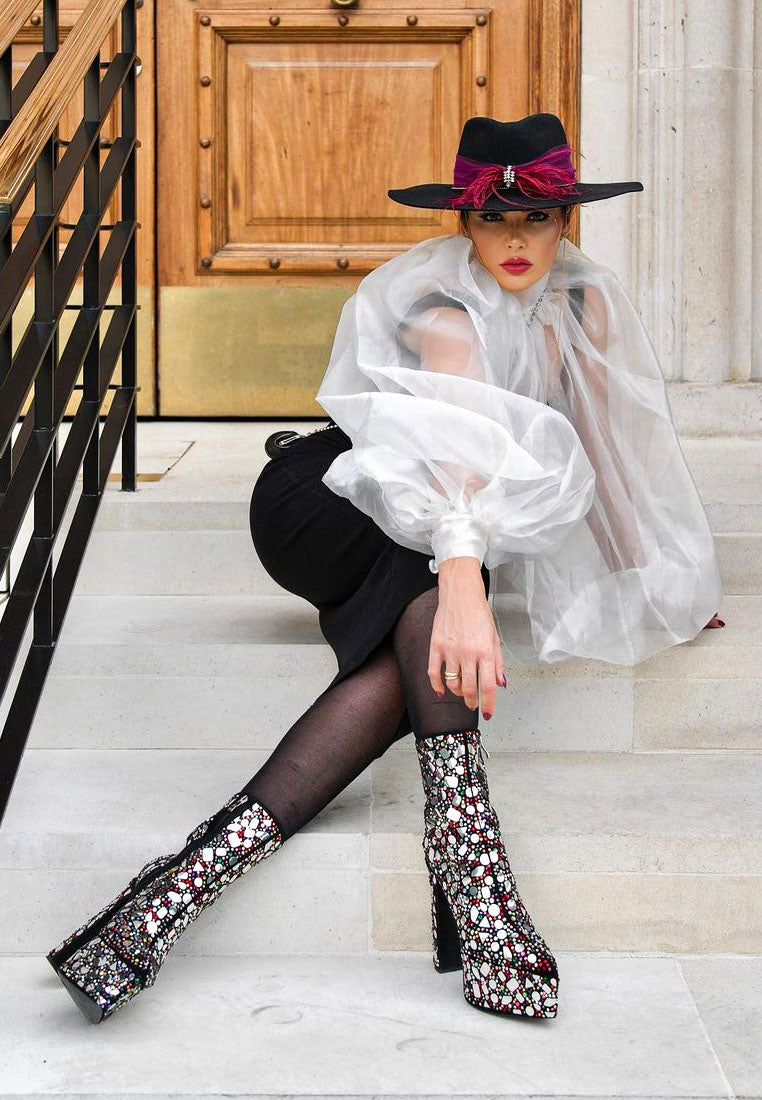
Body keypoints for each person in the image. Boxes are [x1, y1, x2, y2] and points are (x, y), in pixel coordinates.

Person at [46, 113, 725, 1025]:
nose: (516, 240)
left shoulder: (583, 304)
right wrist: (465, 586)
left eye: (538, 217)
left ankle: (159, 906)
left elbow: (601, 448)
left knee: (410, 635)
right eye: (493, 218)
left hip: (430, 525)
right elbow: (448, 471)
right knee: (438, 585)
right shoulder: (444, 309)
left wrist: (649, 573)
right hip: (327, 502)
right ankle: (475, 873)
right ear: (464, 221)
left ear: (567, 219)